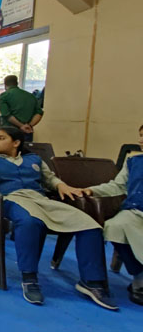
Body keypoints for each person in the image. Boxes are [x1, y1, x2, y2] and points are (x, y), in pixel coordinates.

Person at [0, 127, 117, 309]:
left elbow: (50, 179)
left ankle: (92, 282)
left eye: (1, 138)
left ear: (16, 143)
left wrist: (61, 186)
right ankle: (30, 278)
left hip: (40, 200)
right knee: (29, 222)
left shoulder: (34, 160)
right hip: (11, 200)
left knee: (89, 225)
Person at [81, 124, 143, 306]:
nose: (140, 140)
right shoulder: (133, 162)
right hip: (134, 211)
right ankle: (139, 278)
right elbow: (116, 186)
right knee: (114, 227)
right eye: (140, 135)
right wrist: (91, 191)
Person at [0, 75, 43, 142]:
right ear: (17, 83)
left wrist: (21, 126)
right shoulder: (31, 96)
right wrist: (29, 125)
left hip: (9, 131)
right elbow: (39, 113)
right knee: (26, 150)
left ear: (5, 84)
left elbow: (6, 114)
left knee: (7, 152)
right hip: (27, 131)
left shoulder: (4, 96)